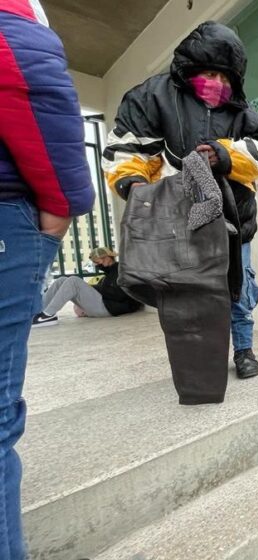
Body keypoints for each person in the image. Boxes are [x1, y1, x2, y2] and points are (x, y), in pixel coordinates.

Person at [102, 21, 258, 379]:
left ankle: (244, 349)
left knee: (239, 289)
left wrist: (224, 156)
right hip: (182, 220)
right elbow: (127, 147)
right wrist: (133, 185)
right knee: (189, 293)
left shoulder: (242, 113)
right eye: (211, 73)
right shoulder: (155, 96)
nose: (219, 84)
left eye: (226, 78)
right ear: (191, 68)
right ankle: (200, 357)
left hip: (236, 220)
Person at [0, 1, 95, 556]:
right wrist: (66, 205)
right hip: (13, 215)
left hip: (110, 299)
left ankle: (49, 307)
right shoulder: (15, 21)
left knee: (77, 289)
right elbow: (35, 85)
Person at [33, 247, 142, 326]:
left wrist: (92, 288)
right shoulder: (109, 274)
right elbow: (107, 290)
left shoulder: (120, 270)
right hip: (105, 305)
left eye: (98, 261)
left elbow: (119, 294)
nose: (97, 265)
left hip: (110, 308)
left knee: (74, 280)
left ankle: (47, 315)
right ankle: (37, 312)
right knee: (62, 279)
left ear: (107, 258)